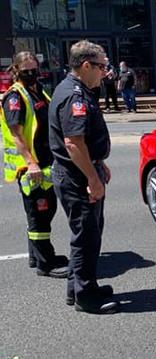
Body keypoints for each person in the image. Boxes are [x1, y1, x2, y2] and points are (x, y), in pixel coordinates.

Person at [48, 40, 119, 314]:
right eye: (101, 66)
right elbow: (73, 143)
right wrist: (93, 177)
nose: (105, 72)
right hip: (77, 179)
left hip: (80, 172)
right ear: (86, 65)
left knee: (86, 235)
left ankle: (77, 288)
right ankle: (86, 298)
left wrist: (99, 164)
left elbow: (83, 142)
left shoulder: (77, 89)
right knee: (86, 238)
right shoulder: (74, 96)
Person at [0, 51, 68, 277]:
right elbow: (17, 136)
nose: (31, 73)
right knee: (39, 214)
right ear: (16, 70)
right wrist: (31, 163)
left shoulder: (37, 90)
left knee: (45, 211)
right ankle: (45, 264)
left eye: (34, 69)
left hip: (45, 163)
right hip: (31, 167)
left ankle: (36, 256)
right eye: (26, 70)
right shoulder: (14, 97)